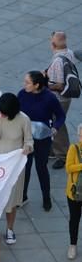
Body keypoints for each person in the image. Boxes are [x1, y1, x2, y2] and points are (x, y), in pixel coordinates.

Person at [0, 93, 33, 244]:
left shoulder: (24, 120)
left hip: (14, 165)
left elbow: (29, 141)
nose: (0, 114)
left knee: (11, 200)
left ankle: (10, 229)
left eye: (3, 112)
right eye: (0, 110)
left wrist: (27, 148)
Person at [18, 71, 65, 212]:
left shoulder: (49, 98)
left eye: (27, 82)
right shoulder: (22, 94)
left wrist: (56, 128)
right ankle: (23, 196)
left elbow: (60, 115)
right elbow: (15, 110)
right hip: (26, 137)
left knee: (41, 168)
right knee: (25, 167)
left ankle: (46, 198)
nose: (24, 85)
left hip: (42, 139)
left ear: (37, 85)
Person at [45, 31, 76, 169]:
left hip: (59, 98)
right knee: (55, 122)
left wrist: (44, 84)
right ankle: (53, 149)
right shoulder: (68, 52)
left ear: (52, 44)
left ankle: (62, 155)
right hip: (66, 98)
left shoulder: (58, 60)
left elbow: (59, 85)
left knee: (58, 125)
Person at [65, 124, 82, 259]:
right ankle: (72, 245)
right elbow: (69, 168)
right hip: (75, 192)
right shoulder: (74, 148)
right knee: (74, 219)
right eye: (81, 135)